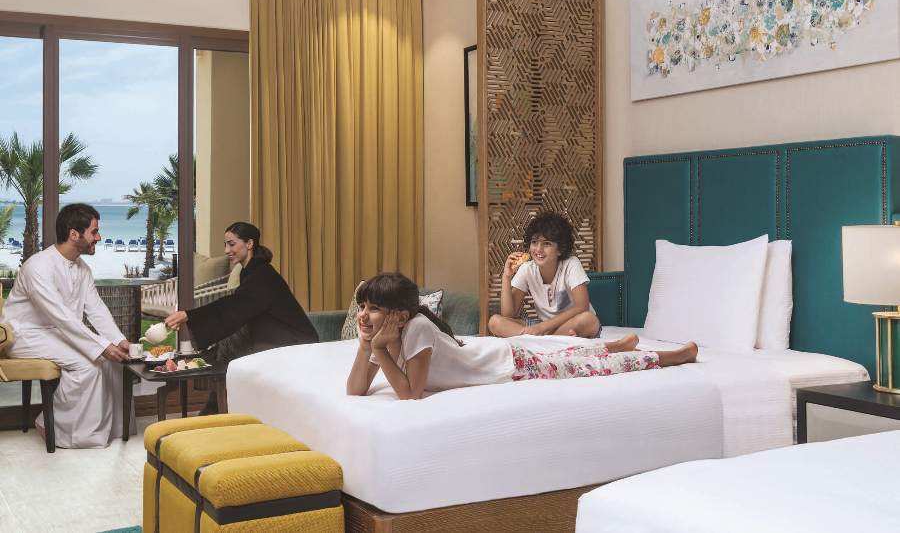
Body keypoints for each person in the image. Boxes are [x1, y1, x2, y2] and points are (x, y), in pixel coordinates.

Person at [346, 272, 697, 400]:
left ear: (399, 316)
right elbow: (356, 389)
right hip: (506, 358)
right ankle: (615, 345)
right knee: (564, 357)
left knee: (587, 368)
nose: (363, 315)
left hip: (508, 365)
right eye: (362, 307)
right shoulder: (387, 335)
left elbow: (410, 394)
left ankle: (672, 356)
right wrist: (367, 346)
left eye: (372, 309)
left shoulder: (416, 329)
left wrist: (379, 350)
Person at [2, 204, 132, 448]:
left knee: (113, 361)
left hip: (56, 332)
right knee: (88, 365)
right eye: (94, 232)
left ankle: (113, 429)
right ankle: (56, 427)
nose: (99, 237)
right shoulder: (37, 267)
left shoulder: (83, 269)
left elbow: (96, 310)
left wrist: (119, 340)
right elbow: (61, 317)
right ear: (74, 234)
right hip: (24, 336)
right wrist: (102, 346)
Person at [164, 222, 318, 410]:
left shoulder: (262, 275)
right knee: (228, 351)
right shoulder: (251, 272)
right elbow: (236, 306)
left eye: (232, 244)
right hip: (273, 337)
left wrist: (189, 315)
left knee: (229, 356)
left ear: (249, 244)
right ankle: (217, 411)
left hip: (294, 343)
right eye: (225, 245)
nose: (226, 250)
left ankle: (217, 412)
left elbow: (233, 306)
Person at [489, 211, 601, 338]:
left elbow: (582, 306)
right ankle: (549, 339)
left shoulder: (571, 264)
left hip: (568, 323)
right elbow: (508, 315)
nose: (538, 249)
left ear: (560, 249)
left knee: (589, 320)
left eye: (546, 243)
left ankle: (537, 339)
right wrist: (506, 276)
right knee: (495, 322)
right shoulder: (527, 269)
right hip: (543, 326)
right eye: (534, 242)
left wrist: (541, 328)